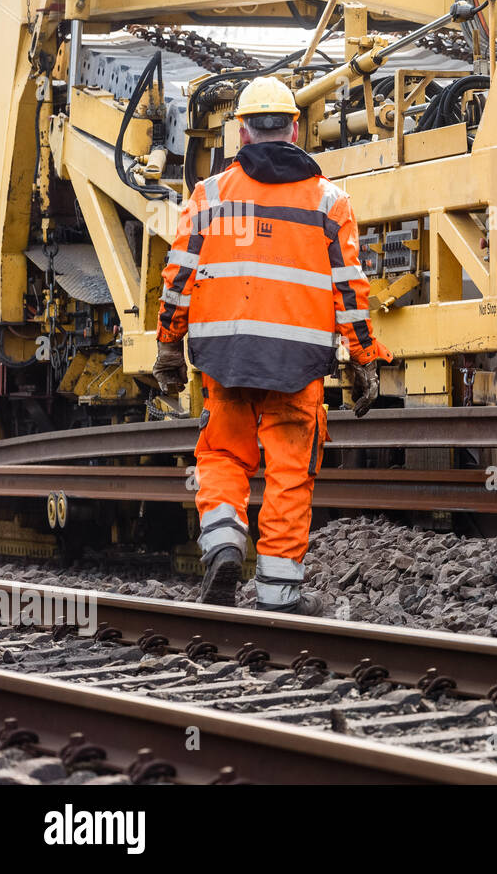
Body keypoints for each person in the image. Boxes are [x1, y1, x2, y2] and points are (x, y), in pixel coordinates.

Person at [152, 76, 392, 613]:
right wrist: (364, 359)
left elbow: (178, 276)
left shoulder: (209, 196)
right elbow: (351, 291)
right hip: (296, 364)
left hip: (226, 360)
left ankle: (223, 543)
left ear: (241, 131)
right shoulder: (330, 201)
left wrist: (169, 343)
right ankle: (279, 598)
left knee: (220, 454)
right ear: (296, 128)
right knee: (288, 471)